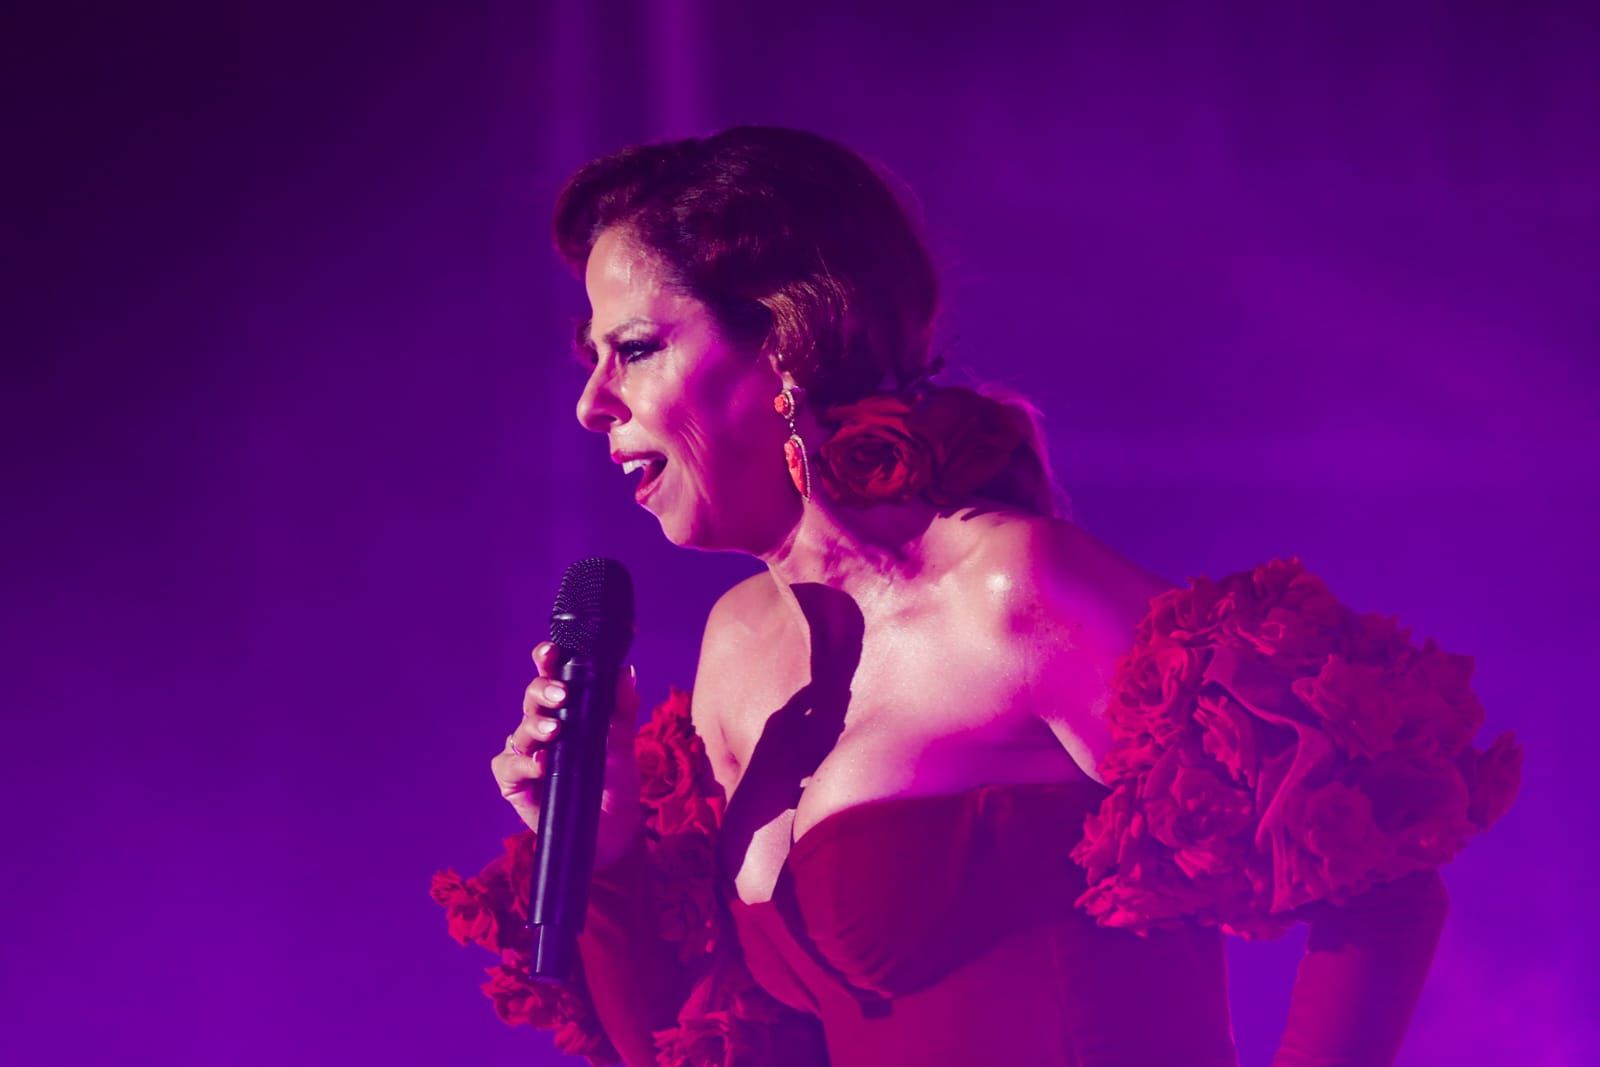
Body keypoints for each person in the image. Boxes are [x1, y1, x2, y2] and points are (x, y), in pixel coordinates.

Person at [432, 126, 1521, 1067]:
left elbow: (1379, 879)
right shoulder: (737, 648)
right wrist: (609, 845)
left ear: (780, 344)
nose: (589, 403)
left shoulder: (1015, 591)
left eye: (631, 349)